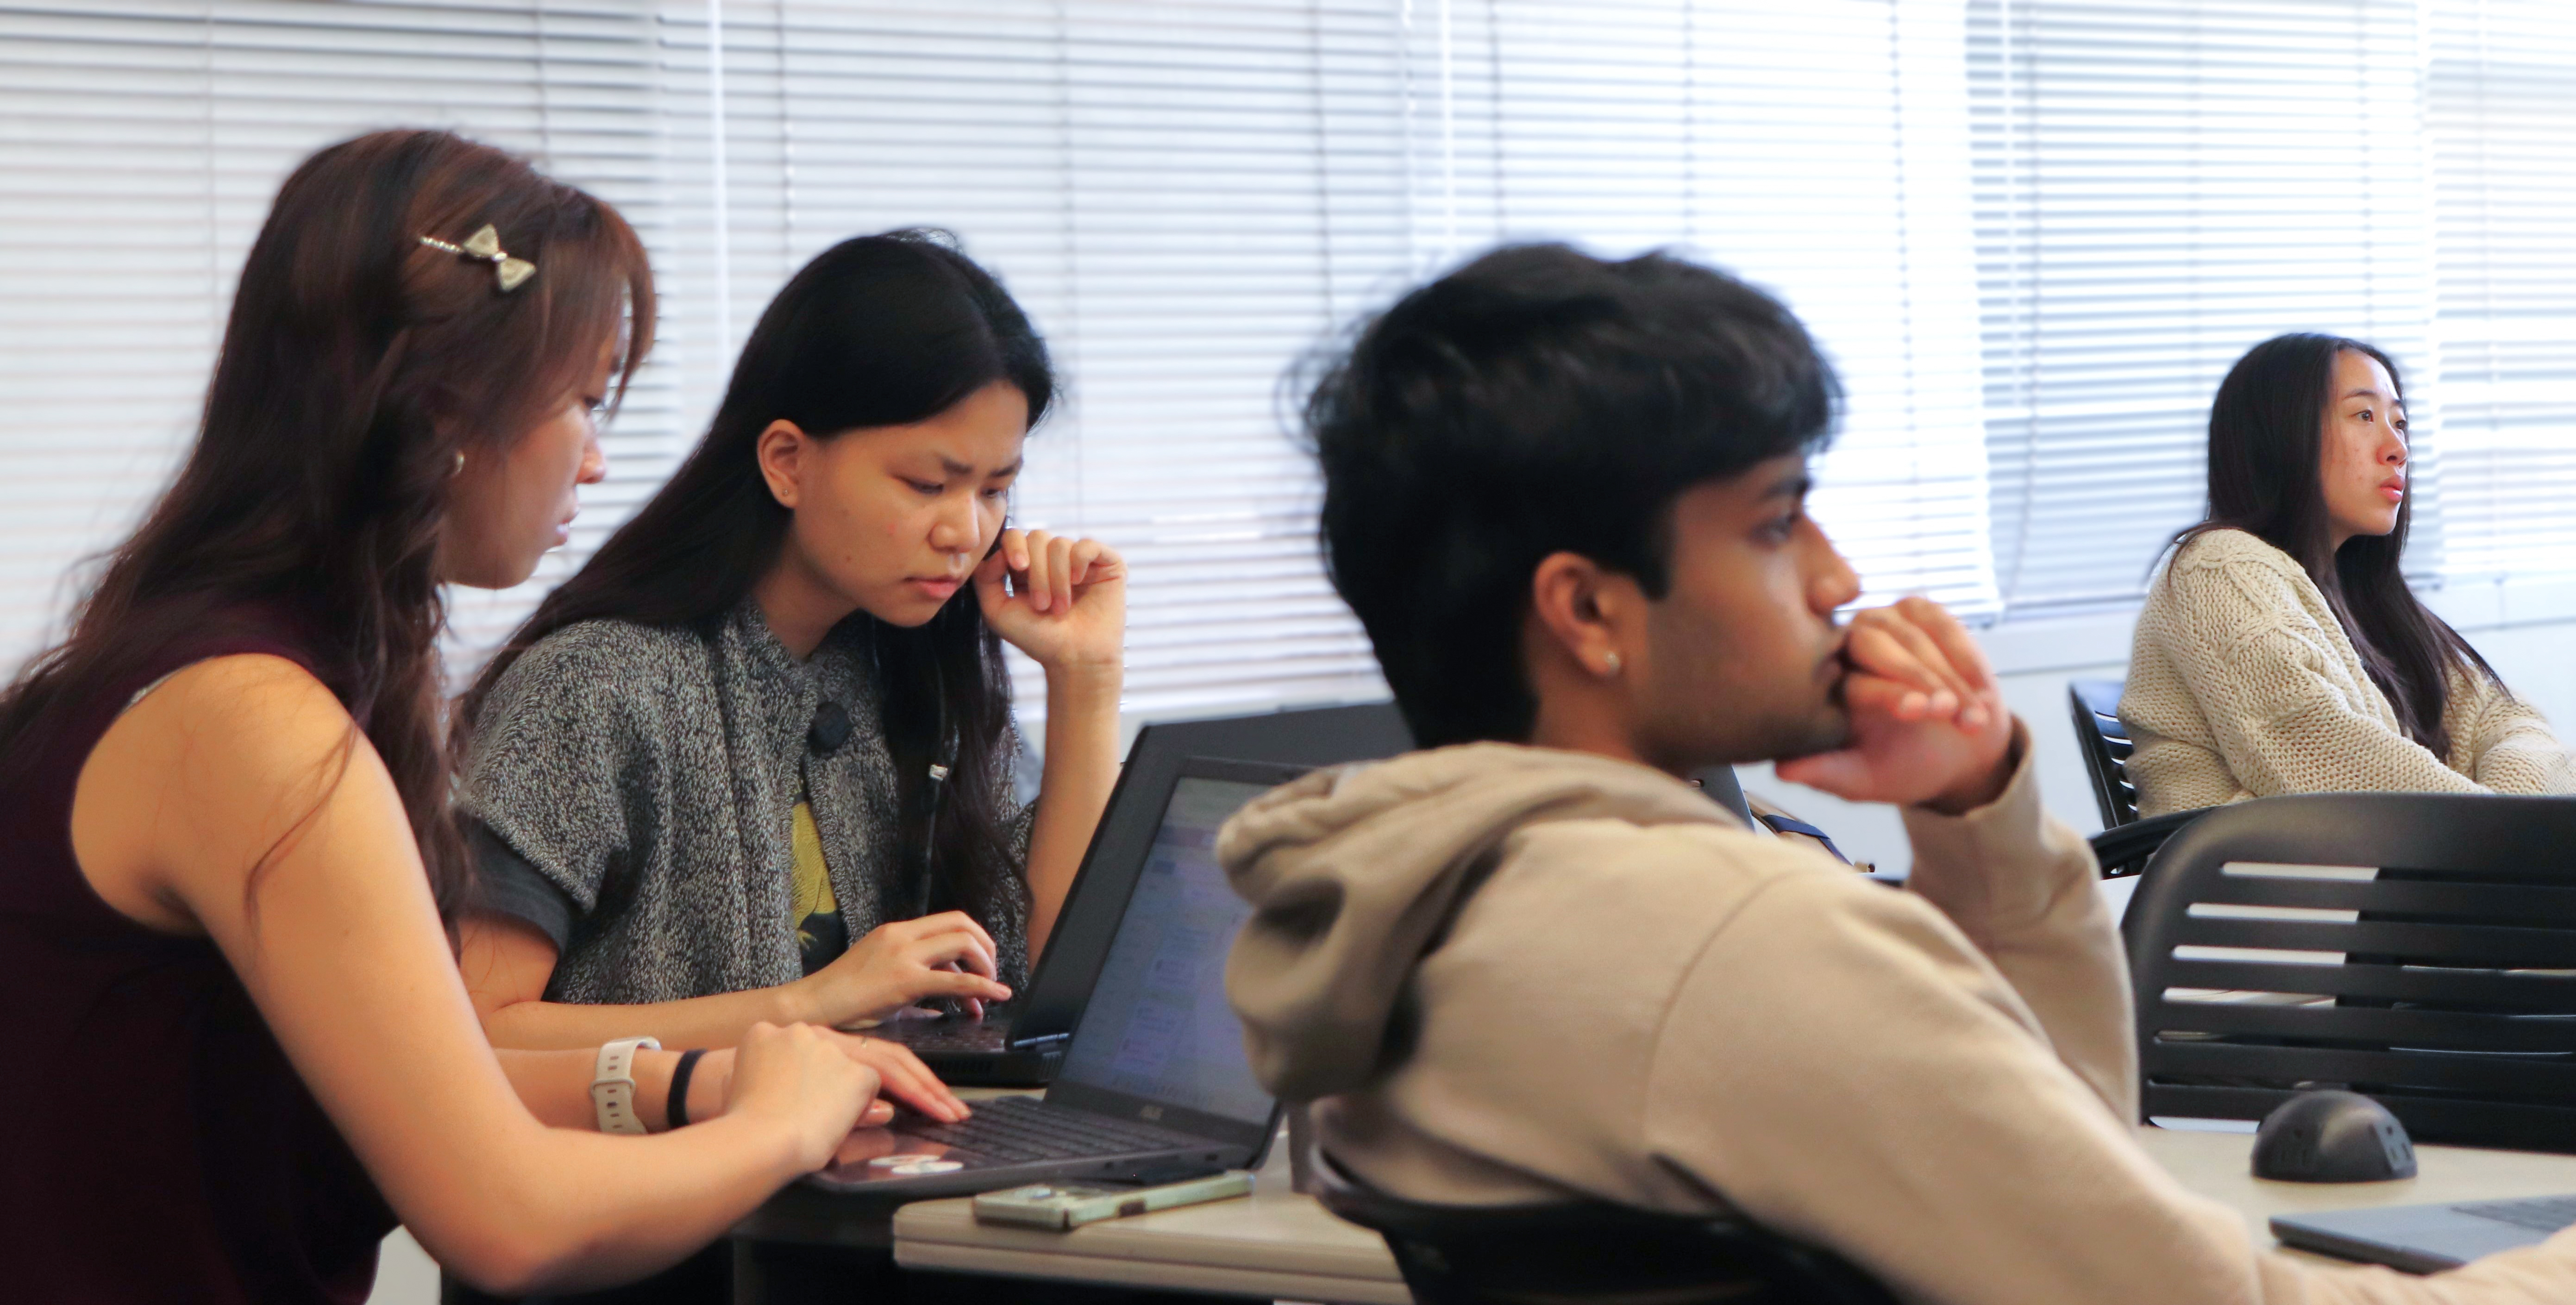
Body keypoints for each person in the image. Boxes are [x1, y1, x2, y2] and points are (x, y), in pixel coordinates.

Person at [1218, 243, 2576, 1301]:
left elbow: (2060, 1179)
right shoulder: (1743, 940)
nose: (1838, 578)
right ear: (1587, 611)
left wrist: (1972, 815)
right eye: (1776, 521)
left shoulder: (1436, 909)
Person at [0, 130, 909, 1304]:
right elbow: (511, 1222)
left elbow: (419, 1073)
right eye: (584, 402)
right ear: (442, 416)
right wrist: (780, 1126)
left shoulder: (218, 666)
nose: (593, 463)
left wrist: (689, 1085)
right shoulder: (251, 724)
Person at [454, 231, 1123, 1060]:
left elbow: (1063, 986)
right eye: (927, 484)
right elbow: (480, 1033)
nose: (966, 530)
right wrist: (811, 1003)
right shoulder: (595, 686)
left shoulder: (919, 673)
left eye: (995, 489)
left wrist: (1085, 679)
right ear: (786, 463)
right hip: (682, 1182)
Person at [2122, 333, 2573, 816]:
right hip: (2266, 884)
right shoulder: (2218, 571)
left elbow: (2508, 720)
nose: (2396, 448)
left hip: (2381, 874)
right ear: (2281, 433)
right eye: (2364, 416)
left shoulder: (2360, 602)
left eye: (2400, 423)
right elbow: (2332, 763)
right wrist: (2511, 832)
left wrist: (2508, 820)